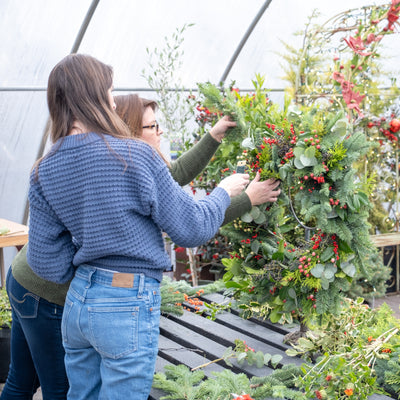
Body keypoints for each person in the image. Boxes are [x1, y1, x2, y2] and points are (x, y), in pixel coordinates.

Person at [1, 70, 280, 400]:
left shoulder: (44, 167)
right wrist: (222, 192)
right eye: (109, 91)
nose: (111, 99)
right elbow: (191, 228)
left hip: (74, 303)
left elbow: (48, 261)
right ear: (95, 98)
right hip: (122, 300)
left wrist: (90, 266)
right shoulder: (134, 155)